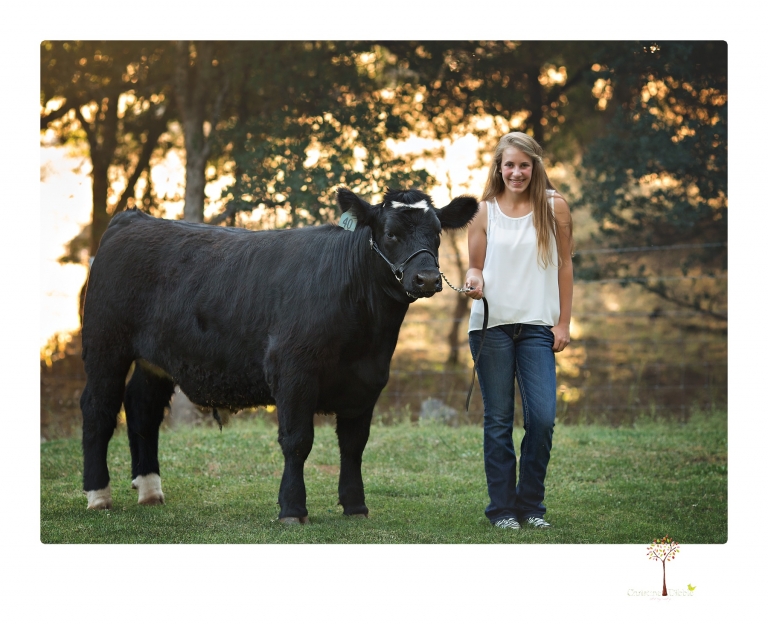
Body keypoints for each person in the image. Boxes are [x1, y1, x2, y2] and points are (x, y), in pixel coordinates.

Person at [464, 131, 573, 530]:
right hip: (490, 327)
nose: (516, 172)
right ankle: (503, 511)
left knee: (542, 418)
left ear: (535, 166)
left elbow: (564, 266)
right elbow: (475, 266)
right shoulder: (482, 212)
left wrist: (563, 322)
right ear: (499, 167)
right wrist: (473, 280)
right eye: (509, 164)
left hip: (538, 327)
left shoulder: (554, 207)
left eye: (524, 165)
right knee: (497, 421)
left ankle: (531, 507)